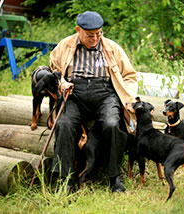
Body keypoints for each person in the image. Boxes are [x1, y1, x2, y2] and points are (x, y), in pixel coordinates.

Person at [50, 11, 138, 192]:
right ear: (78, 30)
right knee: (64, 124)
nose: (95, 38)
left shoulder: (112, 48)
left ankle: (114, 177)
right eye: (91, 35)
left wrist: (128, 97)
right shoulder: (64, 45)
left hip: (104, 93)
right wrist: (62, 83)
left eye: (99, 33)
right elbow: (55, 70)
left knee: (112, 124)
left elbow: (130, 75)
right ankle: (66, 179)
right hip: (75, 93)